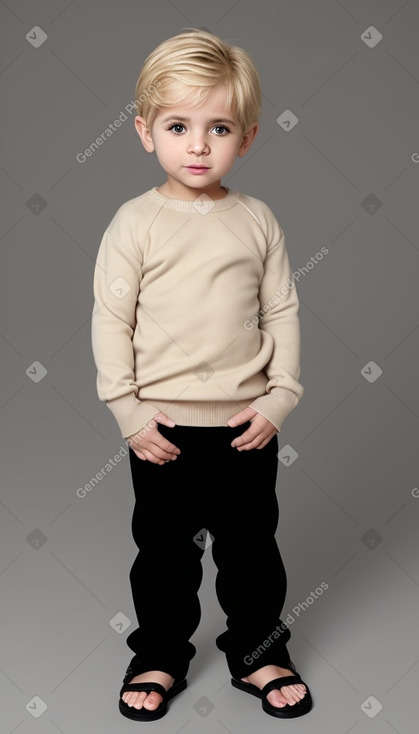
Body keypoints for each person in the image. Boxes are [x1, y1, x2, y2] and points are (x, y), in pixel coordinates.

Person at [91, 27, 312, 721]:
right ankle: (158, 652)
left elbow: (281, 310)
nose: (197, 145)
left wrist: (280, 398)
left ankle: (258, 650)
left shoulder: (256, 220)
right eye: (178, 126)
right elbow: (109, 322)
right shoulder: (135, 223)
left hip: (246, 426)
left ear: (244, 139)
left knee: (252, 552)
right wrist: (127, 412)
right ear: (143, 131)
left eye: (217, 128)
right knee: (163, 556)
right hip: (163, 430)